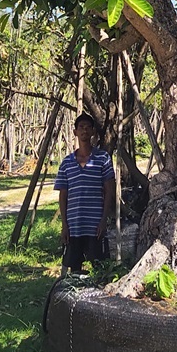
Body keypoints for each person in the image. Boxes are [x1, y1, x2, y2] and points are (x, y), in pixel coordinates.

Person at [54, 113, 116, 273]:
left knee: (100, 267)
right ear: (75, 132)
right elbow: (63, 195)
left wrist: (104, 220)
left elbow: (109, 190)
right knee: (74, 268)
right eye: (81, 127)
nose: (84, 130)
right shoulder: (66, 163)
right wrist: (64, 225)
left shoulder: (102, 159)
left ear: (93, 132)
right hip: (74, 225)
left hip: (95, 224)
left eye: (88, 127)